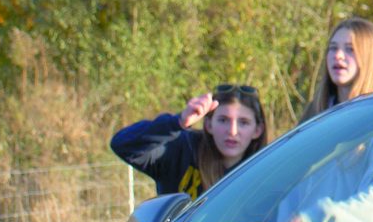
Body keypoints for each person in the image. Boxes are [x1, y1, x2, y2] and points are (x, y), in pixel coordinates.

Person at [281, 17, 373, 222]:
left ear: (371, 58)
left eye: (350, 49)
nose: (338, 56)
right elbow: (291, 190)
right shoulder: (313, 120)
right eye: (333, 48)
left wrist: (314, 220)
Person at [108, 84, 268, 199]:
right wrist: (178, 122)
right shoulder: (181, 149)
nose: (232, 131)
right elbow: (122, 144)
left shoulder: (270, 171)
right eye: (223, 120)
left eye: (243, 122)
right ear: (208, 124)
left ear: (257, 130)